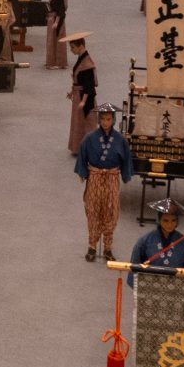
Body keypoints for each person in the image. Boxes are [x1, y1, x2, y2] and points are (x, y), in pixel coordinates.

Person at [75, 104, 134, 263]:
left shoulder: (120, 140)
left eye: (108, 119)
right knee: (93, 210)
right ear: (99, 119)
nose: (105, 122)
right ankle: (92, 246)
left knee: (111, 211)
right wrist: (83, 172)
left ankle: (108, 247)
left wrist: (126, 175)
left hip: (112, 178)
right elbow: (82, 155)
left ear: (113, 120)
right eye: (102, 119)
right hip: (94, 177)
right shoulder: (89, 138)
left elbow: (126, 159)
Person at [127, 198, 184, 287]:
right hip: (150, 285)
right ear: (159, 220)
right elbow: (135, 263)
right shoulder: (145, 241)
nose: (170, 224)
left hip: (176, 287)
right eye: (165, 220)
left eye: (173, 220)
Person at [65, 33, 97, 155]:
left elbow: (89, 86)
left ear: (80, 46)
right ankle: (79, 147)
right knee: (78, 122)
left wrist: (83, 101)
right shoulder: (82, 59)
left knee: (86, 122)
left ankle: (88, 149)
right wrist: (72, 92)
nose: (71, 50)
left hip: (84, 96)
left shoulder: (87, 64)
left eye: (73, 47)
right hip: (78, 94)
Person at [42, 0, 70, 69]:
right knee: (52, 41)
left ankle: (57, 63)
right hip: (52, 18)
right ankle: (52, 61)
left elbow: (60, 10)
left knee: (56, 40)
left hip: (56, 20)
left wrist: (56, 23)